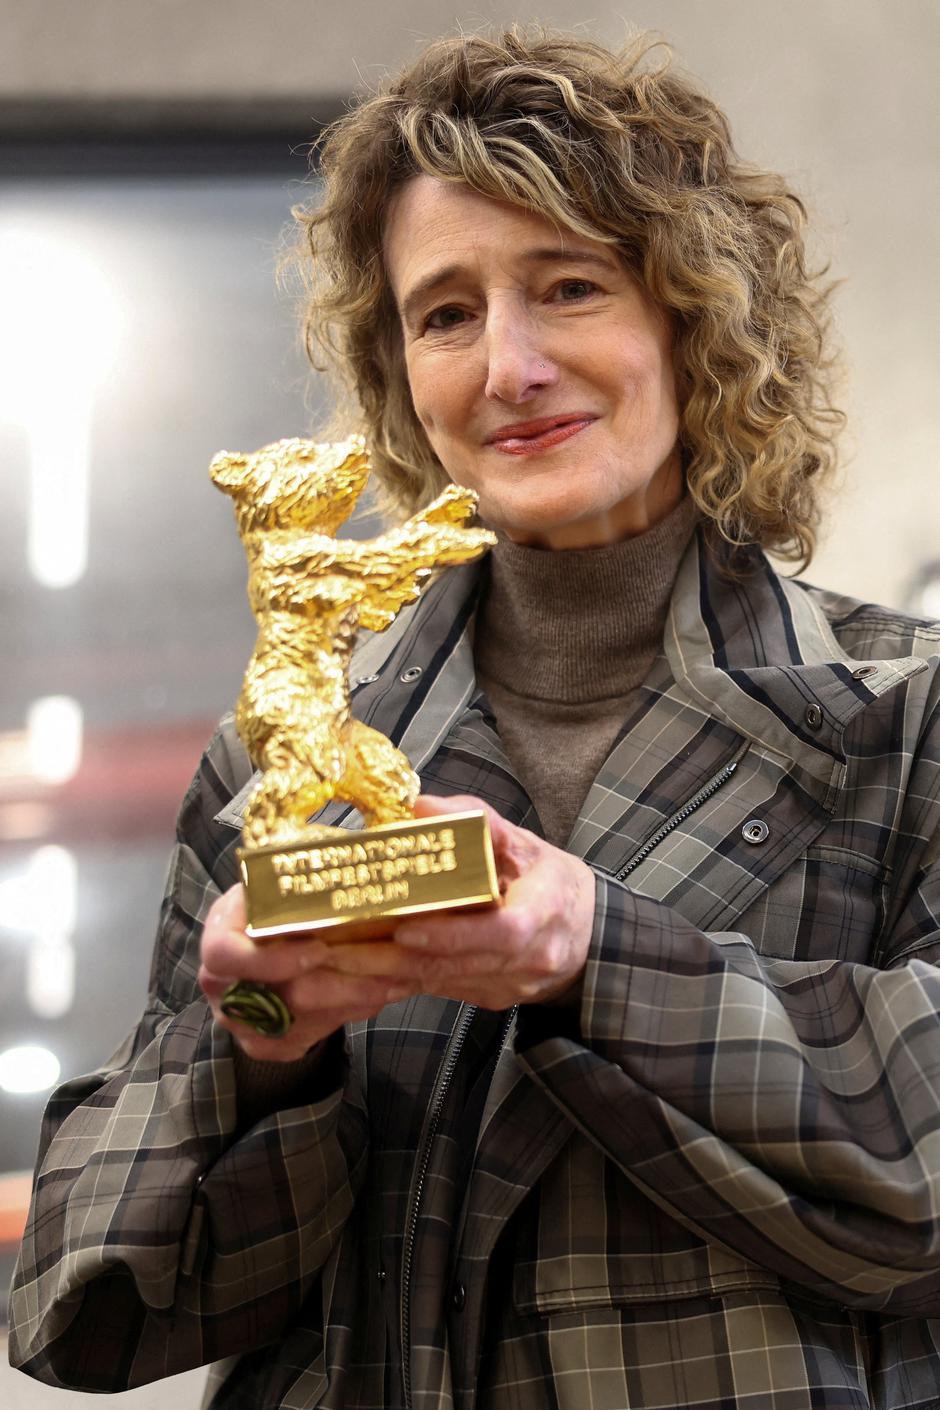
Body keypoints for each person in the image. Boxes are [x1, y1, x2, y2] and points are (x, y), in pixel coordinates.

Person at [9, 27, 940, 1410]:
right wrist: (255, 1046)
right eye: (444, 312)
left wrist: (597, 954)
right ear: (401, 374)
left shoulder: (903, 716)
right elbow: (83, 1304)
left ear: (696, 318)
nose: (507, 365)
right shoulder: (288, 755)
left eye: (568, 287)